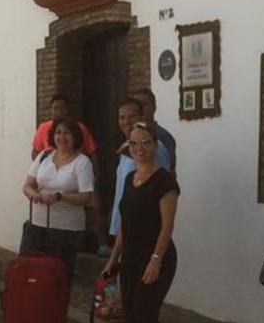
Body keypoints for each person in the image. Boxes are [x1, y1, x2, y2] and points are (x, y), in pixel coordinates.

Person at [102, 122, 180, 323]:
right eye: (134, 144)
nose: (140, 148)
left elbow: (167, 225)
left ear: (155, 146)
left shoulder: (164, 181)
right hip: (131, 259)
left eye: (146, 143)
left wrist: (155, 261)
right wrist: (113, 259)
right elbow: (125, 223)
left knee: (147, 316)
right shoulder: (129, 179)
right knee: (132, 318)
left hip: (156, 259)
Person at [21, 117, 95, 283]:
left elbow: (87, 197)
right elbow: (27, 185)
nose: (62, 137)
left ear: (75, 136)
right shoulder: (44, 156)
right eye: (58, 133)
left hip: (65, 231)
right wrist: (32, 193)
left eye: (67, 133)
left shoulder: (82, 163)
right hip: (36, 226)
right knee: (31, 276)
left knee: (57, 278)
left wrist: (59, 196)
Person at [109, 98, 171, 244]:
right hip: (124, 229)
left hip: (146, 229)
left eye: (131, 117)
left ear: (141, 118)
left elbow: (161, 186)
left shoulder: (156, 148)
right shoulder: (127, 149)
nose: (126, 122)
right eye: (122, 117)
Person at [31, 94, 97, 157]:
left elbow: (92, 152)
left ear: (68, 110)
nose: (59, 111)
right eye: (55, 108)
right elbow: (35, 152)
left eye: (62, 108)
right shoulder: (43, 128)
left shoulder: (80, 128)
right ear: (51, 110)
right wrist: (43, 164)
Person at [131, 87, 176, 172]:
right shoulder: (131, 136)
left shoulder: (164, 137)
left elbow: (168, 171)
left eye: (144, 104)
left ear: (154, 108)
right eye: (137, 105)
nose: (140, 108)